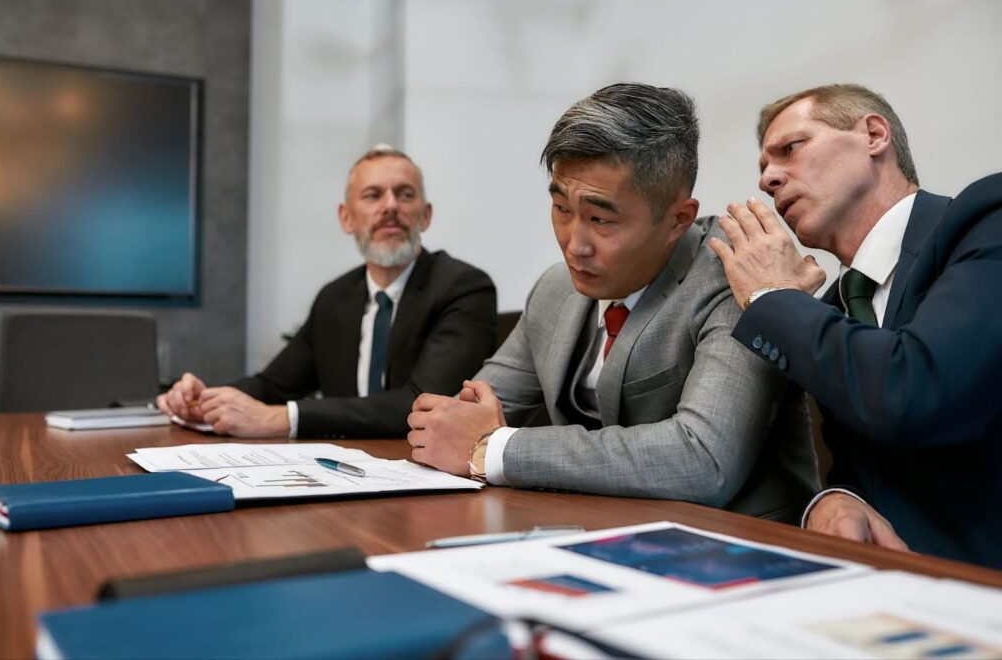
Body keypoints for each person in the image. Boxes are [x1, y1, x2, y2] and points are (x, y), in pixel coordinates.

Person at [406, 83, 818, 521]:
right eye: (562, 209)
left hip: (742, 547)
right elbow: (462, 422)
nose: (574, 245)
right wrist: (458, 430)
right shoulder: (554, 289)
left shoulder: (733, 278)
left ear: (679, 218)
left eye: (601, 219)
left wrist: (497, 448)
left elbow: (702, 460)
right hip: (594, 533)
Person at [709, 83, 1002, 568]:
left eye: (790, 149)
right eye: (762, 168)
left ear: (873, 134)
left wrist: (771, 297)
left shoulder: (985, 219)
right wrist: (830, 500)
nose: (768, 179)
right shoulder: (826, 308)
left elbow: (914, 393)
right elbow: (860, 466)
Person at [157, 145, 497, 439]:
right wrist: (203, 400)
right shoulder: (335, 297)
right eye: (373, 195)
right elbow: (273, 386)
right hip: (345, 467)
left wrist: (281, 419)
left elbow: (423, 403)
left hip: (428, 475)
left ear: (425, 216)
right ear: (346, 218)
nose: (390, 206)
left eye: (405, 194)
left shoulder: (463, 288)